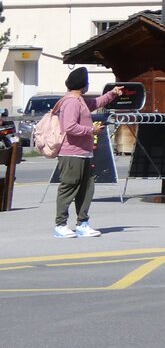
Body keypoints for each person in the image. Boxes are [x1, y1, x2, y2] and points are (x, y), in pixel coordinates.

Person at [53, 67, 125, 239]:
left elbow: (97, 103)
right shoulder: (71, 101)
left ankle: (82, 223)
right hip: (72, 153)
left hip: (84, 153)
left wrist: (112, 94)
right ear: (83, 84)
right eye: (87, 82)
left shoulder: (81, 100)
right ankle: (60, 225)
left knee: (86, 189)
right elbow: (69, 127)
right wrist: (90, 130)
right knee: (68, 187)